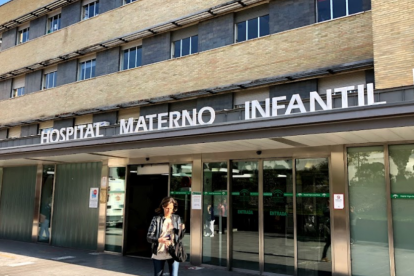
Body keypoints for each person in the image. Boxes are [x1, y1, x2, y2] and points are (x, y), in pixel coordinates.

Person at [147, 197, 185, 276]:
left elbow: (180, 237)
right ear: (163, 207)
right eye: (167, 208)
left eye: (171, 208)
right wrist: (159, 240)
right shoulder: (156, 219)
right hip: (159, 252)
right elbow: (149, 237)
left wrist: (182, 229)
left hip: (173, 251)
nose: (169, 210)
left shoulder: (177, 218)